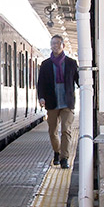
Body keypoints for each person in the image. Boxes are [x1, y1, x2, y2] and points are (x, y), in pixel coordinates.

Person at [37, 35, 79, 168]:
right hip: (52, 102)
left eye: (57, 43)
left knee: (66, 130)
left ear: (63, 46)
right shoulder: (45, 65)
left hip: (67, 102)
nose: (55, 46)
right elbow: (41, 84)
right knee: (53, 131)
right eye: (53, 44)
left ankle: (64, 158)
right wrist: (41, 97)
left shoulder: (72, 63)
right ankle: (57, 151)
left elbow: (79, 81)